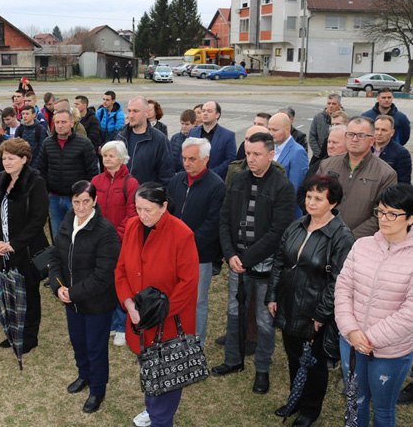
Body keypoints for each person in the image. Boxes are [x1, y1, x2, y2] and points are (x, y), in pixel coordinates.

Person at [266, 175, 354, 427]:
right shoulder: (296, 226)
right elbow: (279, 263)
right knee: (294, 357)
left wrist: (320, 315)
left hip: (315, 312)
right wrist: (272, 295)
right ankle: (295, 399)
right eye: (308, 196)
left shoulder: (342, 237)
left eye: (318, 198)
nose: (311, 202)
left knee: (314, 364)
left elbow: (339, 281)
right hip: (288, 305)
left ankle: (310, 410)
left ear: (333, 203)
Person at [213, 132, 296, 395]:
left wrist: (246, 260)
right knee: (234, 312)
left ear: (271, 155)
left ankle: (262, 370)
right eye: (248, 153)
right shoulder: (238, 180)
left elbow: (277, 232)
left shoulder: (282, 187)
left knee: (263, 320)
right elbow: (224, 219)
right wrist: (229, 254)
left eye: (257, 154)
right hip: (237, 261)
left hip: (264, 267)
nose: (251, 159)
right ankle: (233, 359)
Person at [115, 183, 199, 427]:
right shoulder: (132, 226)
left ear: (164, 207)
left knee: (167, 373)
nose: (142, 215)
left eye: (148, 209)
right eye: (138, 208)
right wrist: (129, 304)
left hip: (169, 322)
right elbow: (121, 270)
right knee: (149, 367)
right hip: (138, 318)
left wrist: (159, 312)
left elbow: (188, 282)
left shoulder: (182, 234)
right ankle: (152, 409)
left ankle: (161, 420)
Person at [335, 184, 413, 427]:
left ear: (410, 218)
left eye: (393, 214)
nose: (384, 219)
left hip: (390, 352)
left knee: (382, 410)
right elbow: (343, 288)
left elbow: (409, 313)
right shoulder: (362, 245)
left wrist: (369, 339)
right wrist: (351, 331)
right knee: (356, 402)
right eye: (380, 212)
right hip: (351, 342)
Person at [49, 180, 121, 413]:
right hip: (72, 300)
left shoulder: (105, 231)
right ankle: (84, 375)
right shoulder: (68, 221)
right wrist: (58, 285)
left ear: (95, 201)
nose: (80, 207)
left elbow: (103, 275)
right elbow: (56, 256)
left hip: (96, 303)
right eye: (76, 201)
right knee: (78, 342)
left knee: (96, 348)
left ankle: (97, 390)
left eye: (85, 202)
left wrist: (72, 292)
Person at [0, 138, 49, 353]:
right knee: (8, 291)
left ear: (24, 159)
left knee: (28, 292)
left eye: (11, 158)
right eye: (4, 158)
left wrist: (14, 244)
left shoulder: (35, 181)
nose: (6, 162)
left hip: (25, 249)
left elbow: (38, 219)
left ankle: (29, 336)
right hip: (2, 249)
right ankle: (12, 330)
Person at [167, 137, 226, 347]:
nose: (187, 163)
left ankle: (195, 343)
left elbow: (213, 224)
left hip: (200, 255)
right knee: (174, 297)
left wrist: (186, 246)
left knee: (197, 300)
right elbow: (168, 213)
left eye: (192, 159)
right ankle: (174, 337)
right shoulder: (177, 180)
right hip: (173, 253)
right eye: (184, 158)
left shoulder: (216, 186)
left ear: (206, 159)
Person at [91, 140, 139, 346]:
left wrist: (114, 236)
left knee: (121, 282)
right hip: (99, 241)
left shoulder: (131, 183)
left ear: (121, 158)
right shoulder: (95, 180)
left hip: (120, 242)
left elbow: (132, 214)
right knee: (103, 282)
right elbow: (91, 209)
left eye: (111, 155)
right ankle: (109, 322)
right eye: (104, 155)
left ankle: (121, 325)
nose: (106, 159)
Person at [318, 117, 397, 239]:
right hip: (323, 237)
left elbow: (381, 215)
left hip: (359, 243)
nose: (354, 139)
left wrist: (348, 238)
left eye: (361, 135)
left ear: (372, 140)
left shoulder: (386, 174)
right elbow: (315, 200)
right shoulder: (327, 165)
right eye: (351, 134)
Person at [38, 109, 99, 236]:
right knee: (58, 233)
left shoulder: (84, 143)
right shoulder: (47, 143)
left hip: (77, 198)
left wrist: (86, 196)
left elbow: (92, 171)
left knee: (79, 232)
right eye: (57, 122)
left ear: (72, 123)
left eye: (64, 122)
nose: (60, 125)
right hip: (54, 197)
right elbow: (42, 170)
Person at [116, 96, 173, 186]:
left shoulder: (160, 140)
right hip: (122, 196)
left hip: (145, 197)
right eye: (129, 111)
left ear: (147, 113)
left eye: (135, 111)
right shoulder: (121, 136)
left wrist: (153, 197)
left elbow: (166, 175)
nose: (131, 115)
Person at [188, 101, 236, 180]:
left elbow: (230, 160)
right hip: (194, 178)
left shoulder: (228, 135)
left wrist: (211, 173)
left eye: (209, 111)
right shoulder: (192, 132)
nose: (205, 113)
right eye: (203, 111)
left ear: (217, 115)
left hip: (217, 179)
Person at [268, 112, 309, 196]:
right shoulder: (270, 147)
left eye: (275, 130)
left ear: (287, 129)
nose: (271, 133)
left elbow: (294, 188)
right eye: (269, 129)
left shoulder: (298, 152)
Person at [373, 115, 412, 184]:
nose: (379, 133)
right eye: (376, 129)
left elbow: (403, 183)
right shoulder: (365, 148)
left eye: (384, 130)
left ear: (392, 133)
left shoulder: (402, 154)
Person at [309, 93, 341, 166]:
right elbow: (312, 137)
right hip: (319, 157)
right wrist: (319, 154)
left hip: (337, 158)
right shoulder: (318, 118)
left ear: (339, 105)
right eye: (329, 103)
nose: (331, 106)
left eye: (334, 104)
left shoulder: (344, 119)